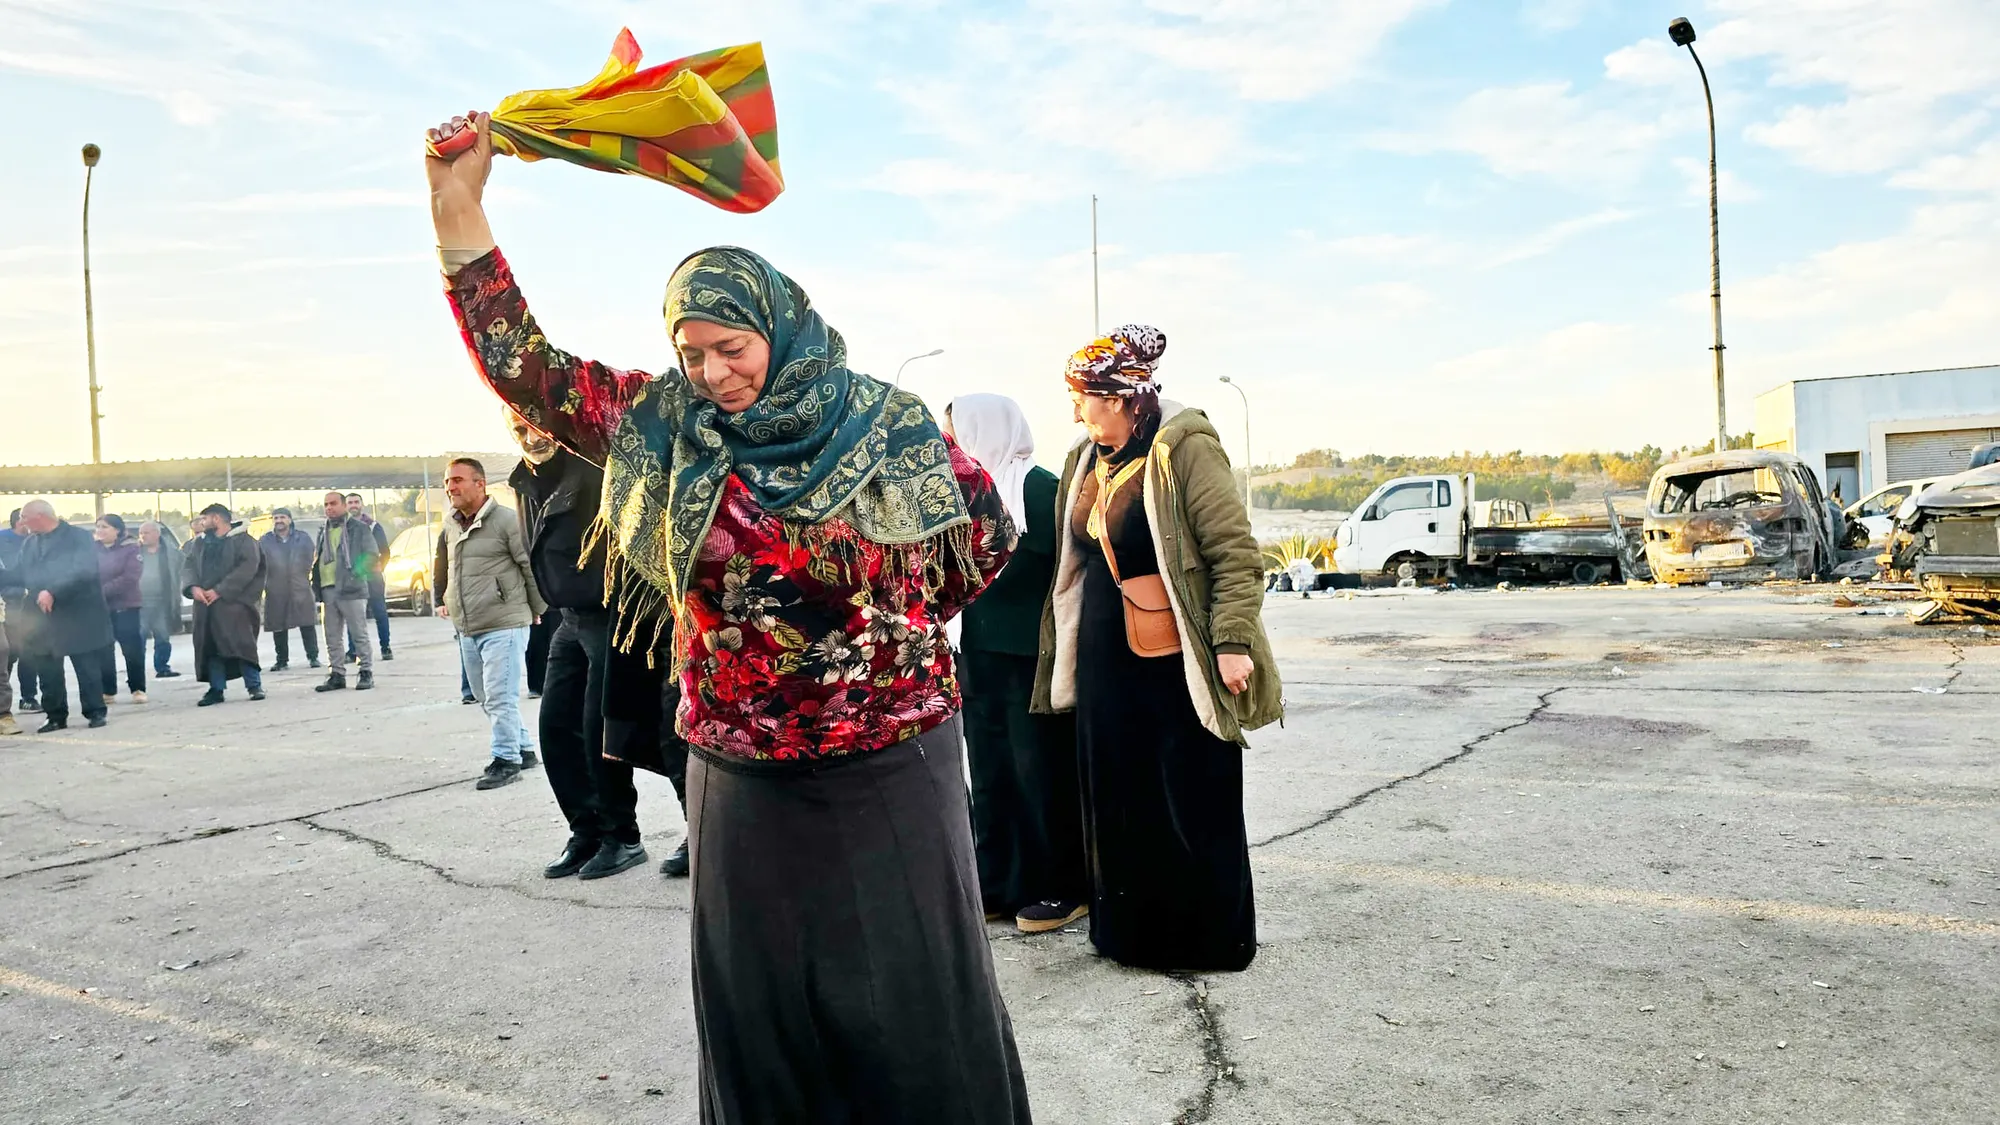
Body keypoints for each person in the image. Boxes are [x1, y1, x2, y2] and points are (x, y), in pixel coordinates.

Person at [428, 110, 1028, 1123]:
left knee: (914, 1016)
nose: (711, 372)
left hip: (890, 768)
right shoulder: (664, 426)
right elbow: (521, 364)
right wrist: (457, 201)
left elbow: (984, 544)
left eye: (730, 347)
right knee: (764, 1021)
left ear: (778, 326)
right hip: (742, 779)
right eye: (691, 351)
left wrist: (867, 649)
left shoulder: (887, 423)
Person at [1032, 325, 1283, 973]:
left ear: (1117, 397)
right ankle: (1130, 936)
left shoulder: (1185, 447)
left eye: (1080, 395)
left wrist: (1232, 642)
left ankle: (1206, 939)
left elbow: (1234, 552)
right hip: (1103, 654)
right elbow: (1071, 558)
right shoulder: (1085, 457)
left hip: (1176, 655)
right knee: (1116, 793)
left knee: (1188, 792)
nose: (1074, 409)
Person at [945, 394, 1087, 934]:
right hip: (975, 654)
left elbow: (1075, 572)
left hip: (1032, 655)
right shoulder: (957, 490)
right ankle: (998, 883)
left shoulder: (1039, 488)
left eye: (955, 431)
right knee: (989, 770)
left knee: (1039, 771)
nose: (948, 441)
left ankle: (1059, 886)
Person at [507, 408, 650, 878]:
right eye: (518, 428)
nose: (530, 436)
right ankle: (586, 831)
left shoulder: (593, 469)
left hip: (609, 614)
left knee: (603, 733)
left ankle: (622, 837)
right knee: (554, 727)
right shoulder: (524, 481)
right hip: (564, 618)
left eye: (535, 424)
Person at [437, 457, 544, 790]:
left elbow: (529, 566)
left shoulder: (507, 521)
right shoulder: (451, 524)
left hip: (504, 623)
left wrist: (536, 607)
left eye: (457, 480)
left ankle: (505, 759)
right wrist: (447, 601)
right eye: (447, 482)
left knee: (500, 696)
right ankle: (524, 749)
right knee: (485, 697)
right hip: (468, 626)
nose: (450, 487)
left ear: (480, 483)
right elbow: (451, 569)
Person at [14, 500, 113, 731]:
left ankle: (95, 711)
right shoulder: (30, 543)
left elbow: (83, 570)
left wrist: (53, 591)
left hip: (78, 612)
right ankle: (55, 715)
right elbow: (22, 574)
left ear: (40, 515)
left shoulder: (78, 537)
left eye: (24, 517)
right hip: (44, 616)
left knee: (86, 666)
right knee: (47, 668)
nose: (22, 522)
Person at [184, 504, 267, 706]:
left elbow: (247, 569)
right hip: (206, 607)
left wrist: (220, 590)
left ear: (217, 519)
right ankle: (216, 689)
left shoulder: (244, 541)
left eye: (204, 519)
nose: (201, 523)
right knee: (211, 649)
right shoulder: (199, 544)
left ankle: (254, 686)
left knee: (243, 646)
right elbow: (189, 566)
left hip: (235, 605)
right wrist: (193, 587)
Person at [313, 491, 378, 692]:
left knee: (359, 634)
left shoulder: (359, 528)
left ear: (343, 505)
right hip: (328, 589)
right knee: (332, 636)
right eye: (326, 504)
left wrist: (355, 574)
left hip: (352, 589)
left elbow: (371, 554)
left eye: (333, 503)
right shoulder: (323, 530)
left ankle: (365, 672)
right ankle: (337, 674)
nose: (329, 508)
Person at [93, 514, 147, 704]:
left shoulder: (131, 548)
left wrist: (101, 591)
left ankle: (138, 688)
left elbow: (130, 577)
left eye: (105, 527)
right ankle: (108, 690)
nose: (100, 530)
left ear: (117, 530)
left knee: (132, 650)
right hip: (101, 609)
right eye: (98, 526)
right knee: (104, 650)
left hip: (126, 606)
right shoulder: (93, 550)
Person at [259, 507, 321, 671]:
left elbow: (310, 557)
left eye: (282, 517)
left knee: (307, 623)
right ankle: (282, 660)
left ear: (290, 520)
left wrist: (300, 573)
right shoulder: (265, 540)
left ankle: (313, 657)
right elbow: (260, 562)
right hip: (275, 587)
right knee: (278, 626)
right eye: (276, 518)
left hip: (299, 585)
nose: (279, 521)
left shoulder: (302, 538)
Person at [343, 493, 394, 662]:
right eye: (350, 502)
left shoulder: (373, 526)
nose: (353, 505)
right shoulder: (343, 527)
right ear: (346, 506)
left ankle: (385, 647)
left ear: (362, 504)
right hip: (353, 579)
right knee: (353, 616)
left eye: (356, 502)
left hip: (373, 577)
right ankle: (352, 651)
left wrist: (379, 567)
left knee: (380, 612)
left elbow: (385, 551)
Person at [2, 508, 40, 713]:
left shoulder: (36, 540)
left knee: (28, 653)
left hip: (30, 605)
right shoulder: (2, 541)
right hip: (8, 605)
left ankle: (28, 697)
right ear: (19, 521)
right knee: (7, 653)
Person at [137, 521, 184, 679]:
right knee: (139, 637)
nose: (143, 536)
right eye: (141, 533)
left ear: (157, 534)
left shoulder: (171, 553)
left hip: (162, 602)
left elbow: (183, 569)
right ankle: (136, 671)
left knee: (163, 636)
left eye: (147, 532)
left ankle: (162, 667)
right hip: (139, 603)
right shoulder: (134, 552)